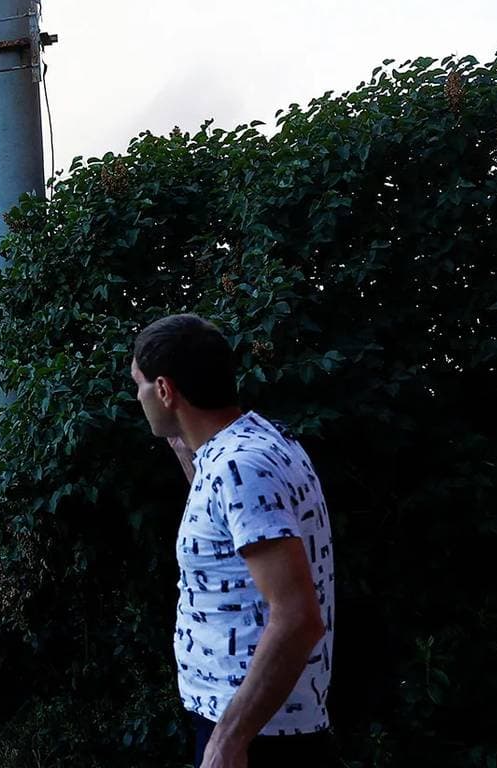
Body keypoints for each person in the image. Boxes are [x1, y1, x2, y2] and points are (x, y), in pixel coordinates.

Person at [131, 314, 335, 768]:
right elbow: (225, 530)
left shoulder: (241, 469)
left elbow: (299, 618)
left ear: (165, 391)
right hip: (255, 723)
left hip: (259, 736)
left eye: (140, 385)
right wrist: (187, 449)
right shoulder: (249, 445)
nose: (138, 398)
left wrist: (227, 743)